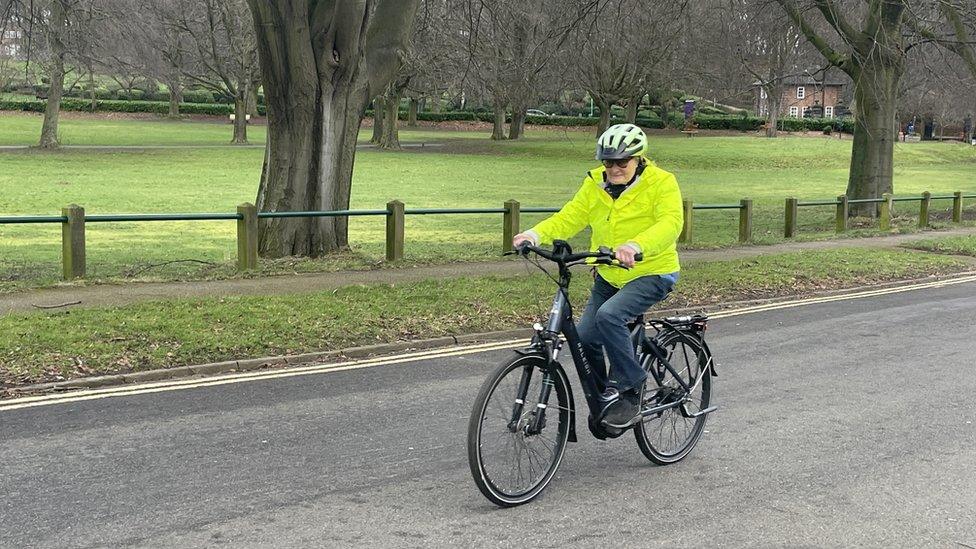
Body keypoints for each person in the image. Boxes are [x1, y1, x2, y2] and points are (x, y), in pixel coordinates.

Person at [513, 124, 683, 426]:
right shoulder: (595, 184)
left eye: (622, 162)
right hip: (608, 274)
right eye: (608, 162)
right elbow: (571, 216)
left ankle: (631, 389)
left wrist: (636, 244)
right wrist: (534, 234)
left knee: (609, 316)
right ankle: (607, 396)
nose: (614, 168)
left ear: (638, 159)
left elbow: (670, 223)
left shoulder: (661, 182)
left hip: (652, 272)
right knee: (586, 337)